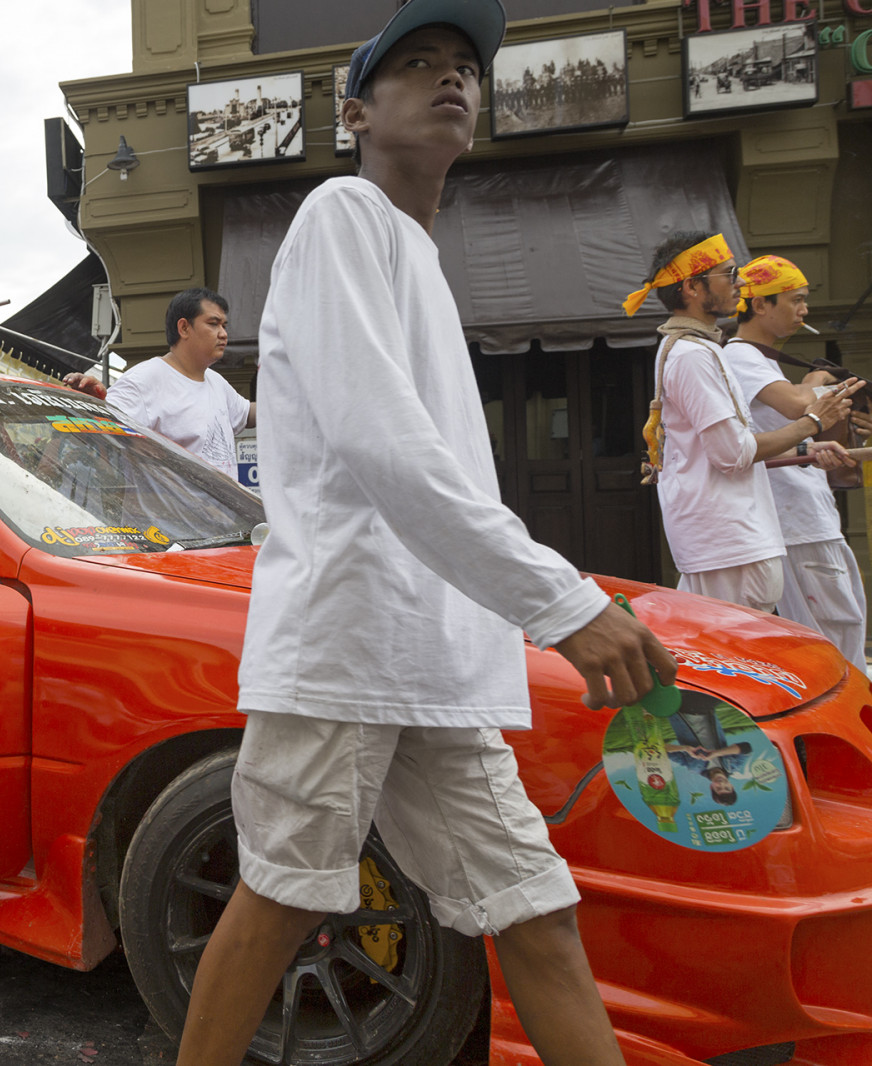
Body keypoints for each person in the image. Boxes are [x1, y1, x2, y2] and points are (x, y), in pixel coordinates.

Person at [176, 3, 681, 1064]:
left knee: (534, 908)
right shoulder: (342, 214)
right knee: (281, 896)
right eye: (416, 64)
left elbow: (422, 464)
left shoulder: (413, 253)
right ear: (356, 112)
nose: (450, 77)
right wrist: (561, 602)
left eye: (464, 66)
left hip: (434, 660)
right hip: (348, 641)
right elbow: (385, 446)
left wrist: (527, 604)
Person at [627, 233, 859, 613]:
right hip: (730, 544)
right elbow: (733, 454)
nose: (739, 283)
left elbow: (728, 449)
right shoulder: (692, 355)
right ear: (692, 287)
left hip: (730, 543)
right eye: (729, 274)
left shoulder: (700, 349)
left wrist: (806, 448)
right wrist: (813, 422)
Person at [722, 255, 868, 671]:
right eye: (796, 299)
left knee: (837, 625)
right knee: (836, 629)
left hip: (801, 513)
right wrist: (818, 381)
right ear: (760, 304)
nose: (804, 310)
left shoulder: (761, 359)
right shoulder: (739, 356)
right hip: (795, 519)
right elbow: (795, 405)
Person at [63, 288, 254, 478]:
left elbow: (246, 414)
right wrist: (94, 405)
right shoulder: (143, 380)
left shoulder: (216, 382)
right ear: (184, 328)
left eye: (224, 326)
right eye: (213, 324)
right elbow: (102, 431)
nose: (223, 334)